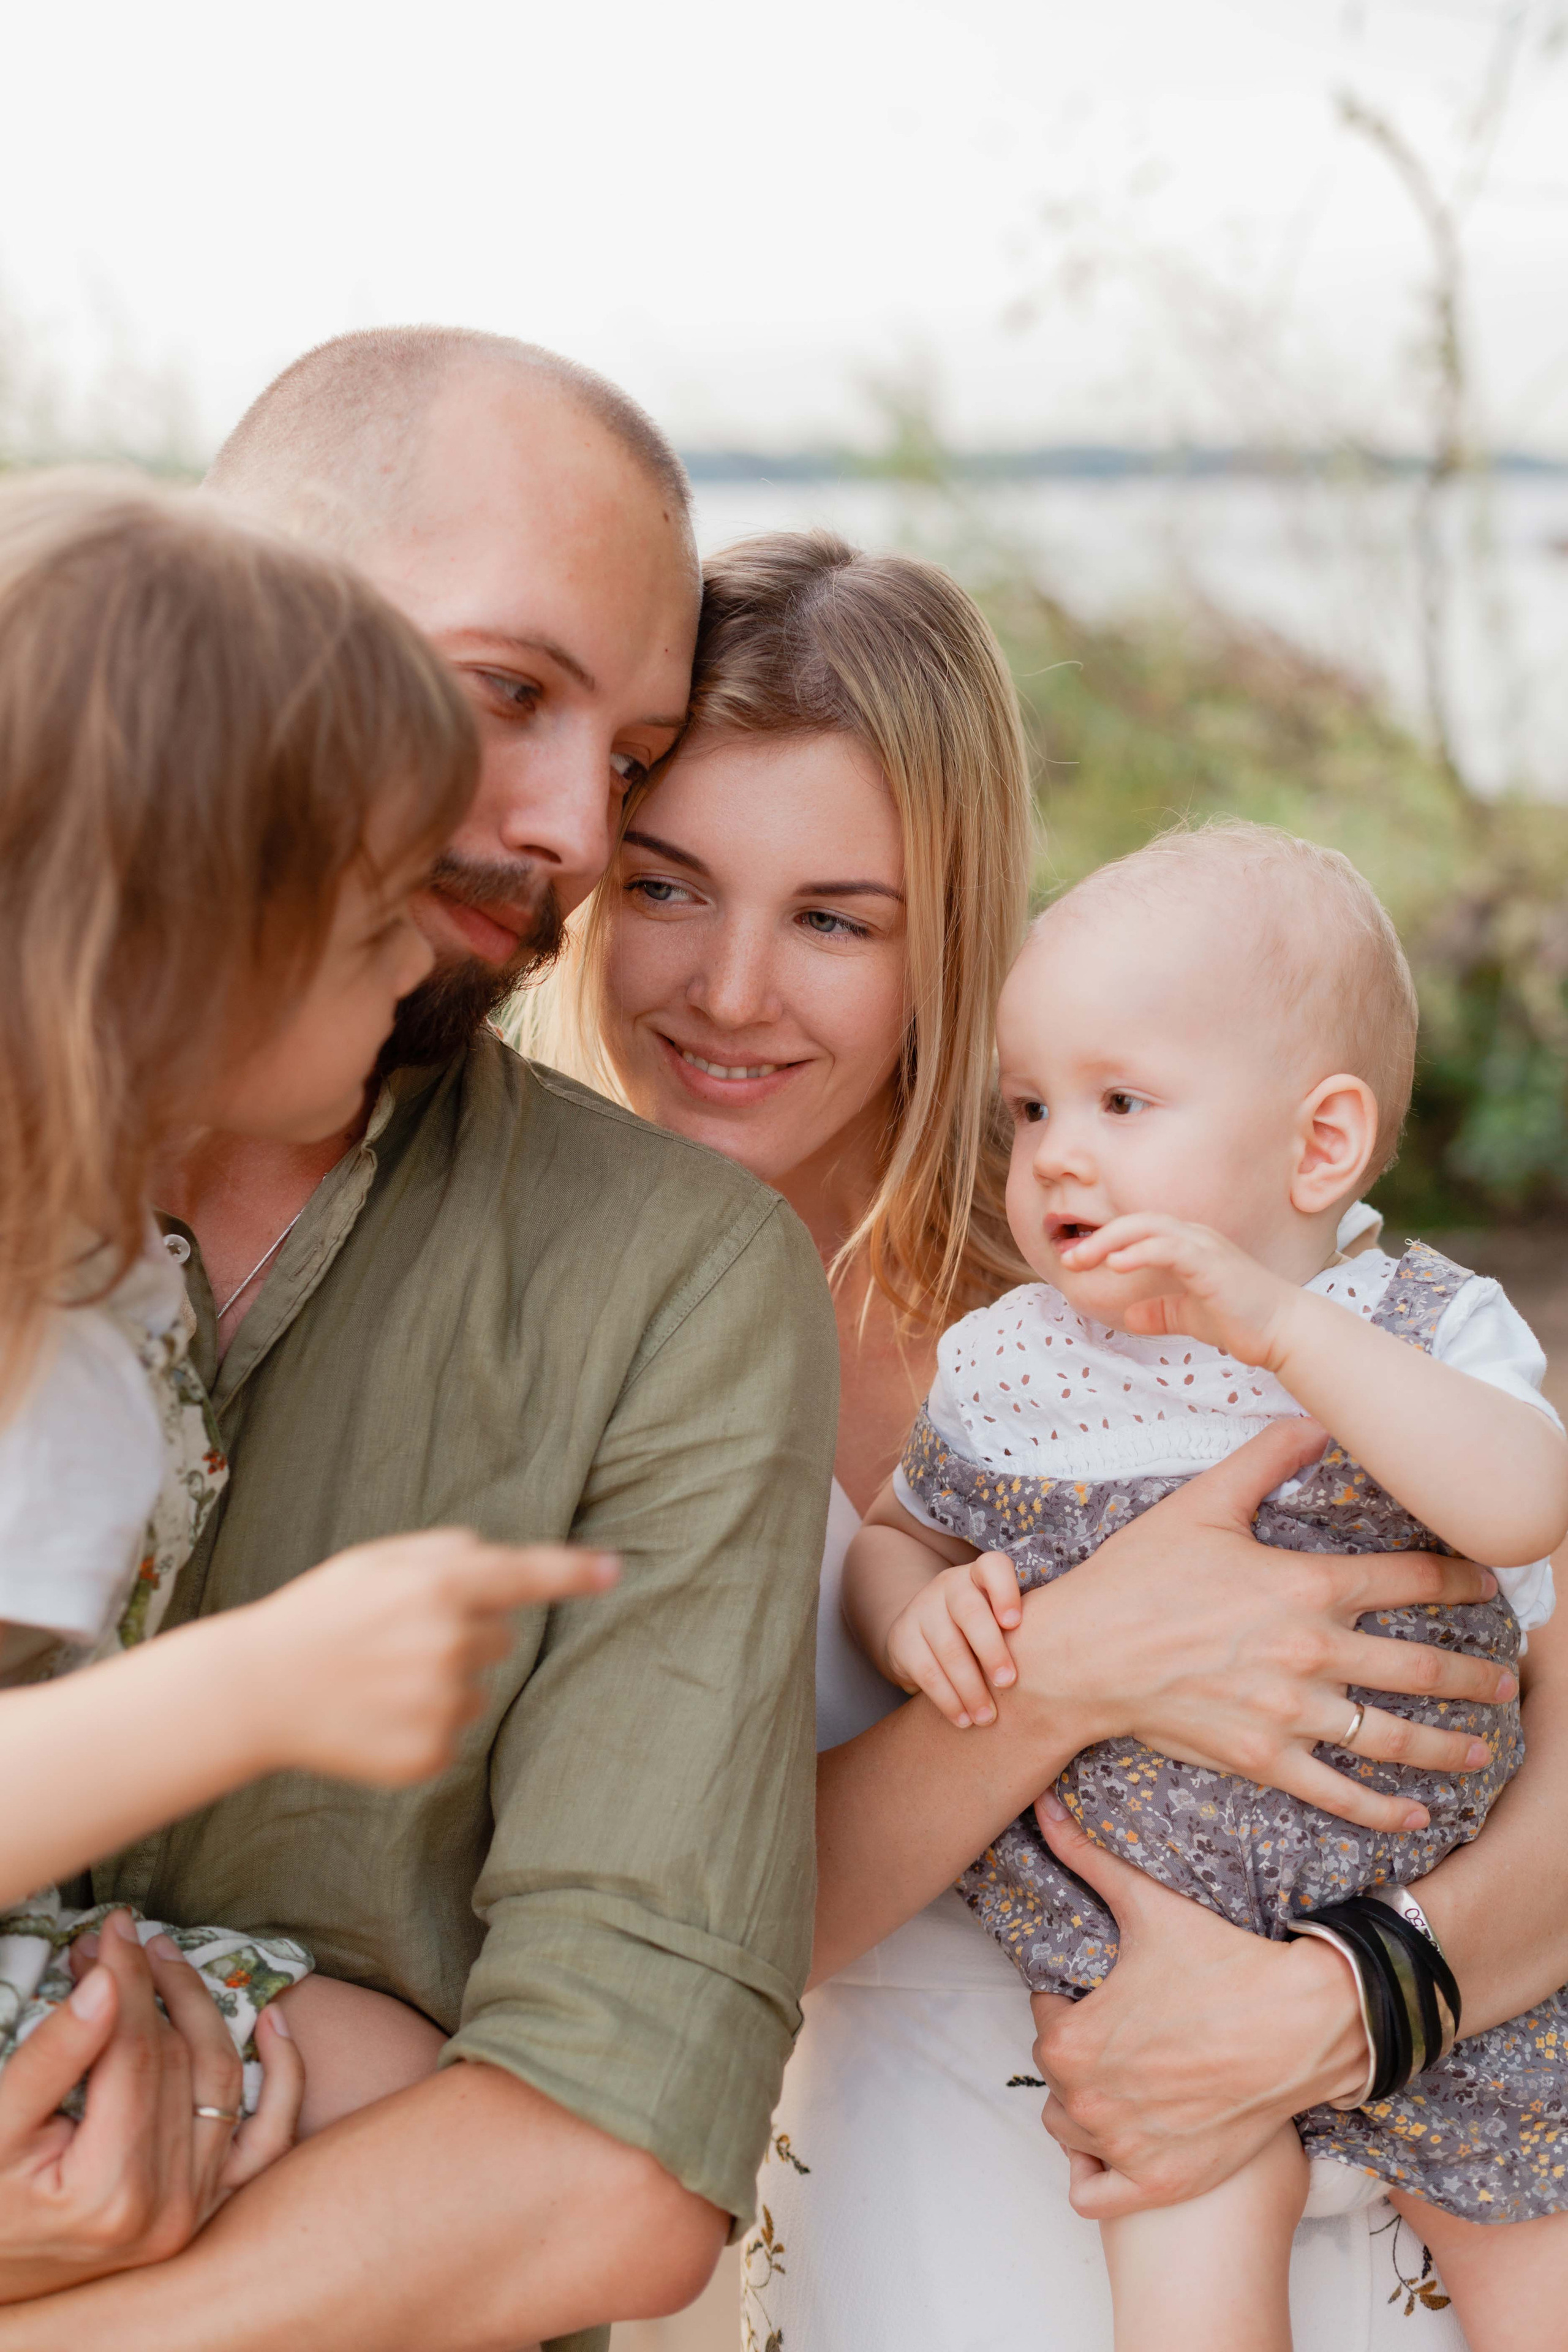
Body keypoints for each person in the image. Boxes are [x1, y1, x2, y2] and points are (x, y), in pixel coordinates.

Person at [528, 526, 1568, 2350]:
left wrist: (1354, 1997)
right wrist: (1077, 1669)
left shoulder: (1173, 1263)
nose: (732, 990)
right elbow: (658, 1957)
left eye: (838, 917)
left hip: (1421, 2138)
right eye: (671, 887)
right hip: (973, 2209)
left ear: (961, 932)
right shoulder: (549, 1338)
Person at [0, 334, 838, 2352]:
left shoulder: (675, 1285)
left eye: (630, 756)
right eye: (505, 695)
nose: (571, 830)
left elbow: (614, 2162)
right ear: (237, 636)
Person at [843, 819, 1568, 2352]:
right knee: (1184, 2295)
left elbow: (1520, 1503)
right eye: (1029, 1108)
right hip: (1139, 1978)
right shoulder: (1018, 1359)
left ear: (1316, 1145)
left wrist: (1282, 1333)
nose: (1055, 1154)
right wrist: (912, 1612)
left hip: (1456, 1970)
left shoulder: (1414, 1322)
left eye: (1120, 1101)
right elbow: (902, 1531)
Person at [0, 470, 614, 2250]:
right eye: (367, 937)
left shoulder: (95, 1272)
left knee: (390, 2073)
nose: (411, 968)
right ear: (177, 966)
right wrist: (260, 1687)